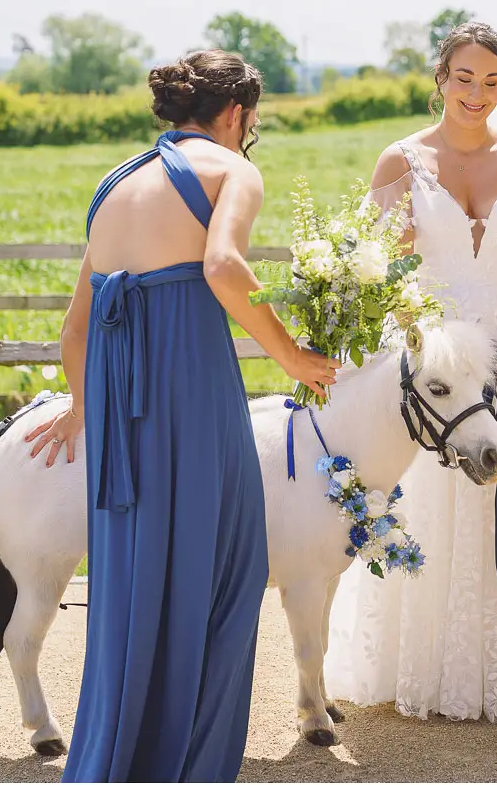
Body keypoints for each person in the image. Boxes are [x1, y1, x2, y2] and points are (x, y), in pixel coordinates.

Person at [27, 50, 337, 781]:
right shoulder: (232, 170)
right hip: (191, 390)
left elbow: (75, 326)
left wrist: (82, 407)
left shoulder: (115, 183)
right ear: (236, 115)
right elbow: (224, 269)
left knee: (135, 578)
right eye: (250, 125)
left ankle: (126, 755)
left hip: (117, 406)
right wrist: (292, 358)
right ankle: (193, 761)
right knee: (229, 563)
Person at [324, 22, 497, 722]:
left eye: (492, 81)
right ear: (441, 79)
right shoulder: (401, 161)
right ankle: (426, 668)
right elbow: (375, 270)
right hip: (434, 363)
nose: (478, 93)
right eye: (465, 78)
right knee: (429, 505)